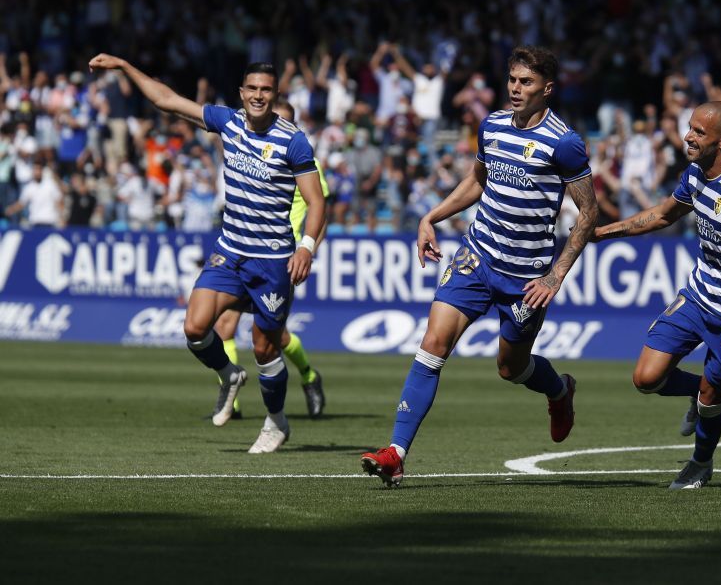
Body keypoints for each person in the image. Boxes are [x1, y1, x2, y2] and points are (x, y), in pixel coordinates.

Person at [361, 46, 599, 487]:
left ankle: (559, 390)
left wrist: (555, 275)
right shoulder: (491, 125)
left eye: (526, 82)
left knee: (510, 368)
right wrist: (431, 216)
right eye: (512, 79)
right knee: (433, 343)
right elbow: (477, 181)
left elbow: (588, 212)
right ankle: (395, 453)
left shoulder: (563, 142)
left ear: (547, 89)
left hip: (526, 278)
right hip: (477, 256)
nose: (515, 88)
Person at [88, 53, 325, 453]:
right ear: (241, 92)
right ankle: (229, 375)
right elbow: (166, 100)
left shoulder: (293, 140)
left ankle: (276, 421)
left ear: (276, 94)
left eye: (266, 90)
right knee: (195, 328)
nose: (258, 96)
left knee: (266, 347)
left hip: (271, 262)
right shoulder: (227, 122)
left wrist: (306, 247)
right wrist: (125, 67)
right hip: (230, 251)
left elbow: (316, 202)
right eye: (252, 88)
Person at [591, 101, 721, 489]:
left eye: (698, 132)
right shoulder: (694, 174)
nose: (688, 137)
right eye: (689, 128)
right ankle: (698, 392)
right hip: (697, 294)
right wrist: (601, 232)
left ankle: (700, 463)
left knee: (714, 396)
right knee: (646, 378)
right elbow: (661, 215)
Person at [212, 99, 330, 420]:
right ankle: (231, 403)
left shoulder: (305, 161)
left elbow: (321, 211)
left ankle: (308, 376)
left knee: (274, 338)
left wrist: (308, 250)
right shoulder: (256, 151)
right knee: (224, 323)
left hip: (282, 258)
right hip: (248, 250)